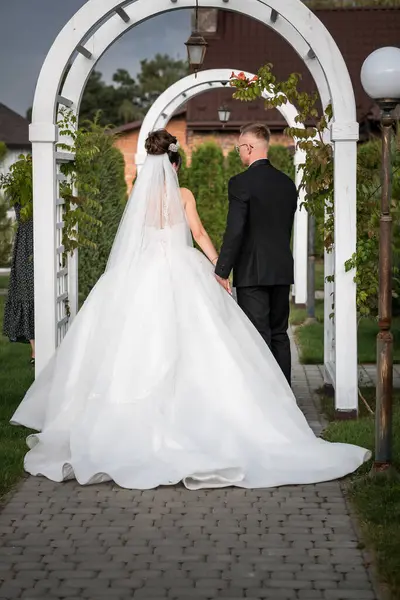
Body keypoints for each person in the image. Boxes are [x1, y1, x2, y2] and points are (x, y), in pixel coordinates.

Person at [11, 129, 370, 491]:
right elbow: (198, 233)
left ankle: (128, 424)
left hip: (141, 274)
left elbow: (131, 241)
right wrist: (218, 269)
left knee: (133, 346)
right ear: (176, 163)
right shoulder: (183, 194)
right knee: (203, 341)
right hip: (185, 270)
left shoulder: (140, 198)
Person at [215, 123, 296, 386]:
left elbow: (235, 230)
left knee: (257, 336)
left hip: (253, 273)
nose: (239, 153)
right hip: (282, 269)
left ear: (249, 147)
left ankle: (266, 399)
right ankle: (286, 397)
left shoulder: (240, 183)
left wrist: (222, 269)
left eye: (240, 147)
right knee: (279, 334)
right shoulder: (287, 184)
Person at [3, 203, 35, 364]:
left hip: (42, 240)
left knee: (40, 294)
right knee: (25, 292)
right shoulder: (20, 184)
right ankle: (35, 349)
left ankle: (41, 347)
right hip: (24, 245)